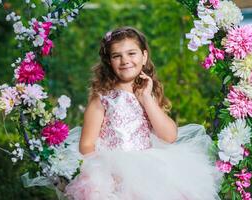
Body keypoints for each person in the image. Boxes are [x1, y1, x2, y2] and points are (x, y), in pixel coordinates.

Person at [65, 26, 222, 200]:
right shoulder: (102, 99)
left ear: (144, 56)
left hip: (149, 169)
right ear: (109, 61)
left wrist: (147, 98)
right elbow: (86, 144)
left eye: (131, 53)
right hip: (112, 173)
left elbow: (169, 136)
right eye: (117, 56)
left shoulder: (149, 94)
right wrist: (106, 171)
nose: (125, 60)